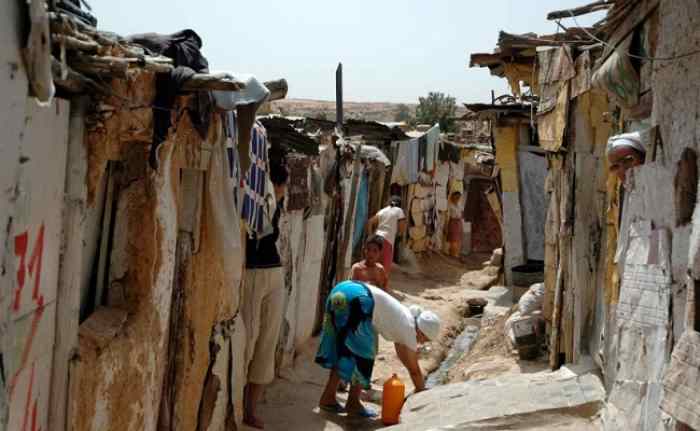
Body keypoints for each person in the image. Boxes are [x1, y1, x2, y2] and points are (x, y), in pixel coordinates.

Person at [316, 280, 441, 418]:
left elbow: (403, 355)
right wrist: (421, 392)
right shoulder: (410, 330)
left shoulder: (404, 317)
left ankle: (328, 399)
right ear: (422, 332)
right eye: (425, 340)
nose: (422, 343)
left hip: (343, 289)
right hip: (360, 300)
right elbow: (415, 371)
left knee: (344, 351)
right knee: (364, 355)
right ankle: (353, 403)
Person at [242, 164, 288, 429]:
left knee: (266, 343)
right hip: (255, 272)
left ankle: (250, 409)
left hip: (273, 272)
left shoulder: (275, 204)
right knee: (248, 339)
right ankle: (239, 406)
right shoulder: (254, 199)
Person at [367, 196, 407, 275]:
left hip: (376, 238)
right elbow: (402, 226)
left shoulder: (382, 211)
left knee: (373, 265)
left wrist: (370, 236)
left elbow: (370, 222)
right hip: (387, 240)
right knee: (384, 269)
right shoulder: (399, 211)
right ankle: (380, 286)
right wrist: (399, 234)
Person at [446, 191, 463, 258]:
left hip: (459, 222)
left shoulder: (459, 204)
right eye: (456, 197)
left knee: (458, 238)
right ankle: (453, 254)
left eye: (458, 197)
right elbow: (448, 216)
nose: (457, 198)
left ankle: (456, 254)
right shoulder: (450, 205)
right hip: (453, 222)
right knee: (453, 239)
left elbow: (461, 213)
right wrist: (446, 226)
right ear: (453, 197)